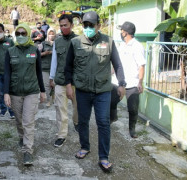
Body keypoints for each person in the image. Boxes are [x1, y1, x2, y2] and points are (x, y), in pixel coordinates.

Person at [65, 11, 126, 173]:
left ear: (98, 25)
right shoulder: (75, 42)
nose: (88, 28)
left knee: (103, 123)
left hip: (103, 91)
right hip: (83, 91)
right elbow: (68, 66)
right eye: (85, 25)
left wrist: (122, 84)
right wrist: (68, 85)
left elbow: (118, 65)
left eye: (91, 25)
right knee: (83, 122)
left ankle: (104, 157)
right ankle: (85, 147)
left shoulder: (108, 42)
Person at [4, 24, 46, 166]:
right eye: (18, 33)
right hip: (15, 92)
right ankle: (22, 137)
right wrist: (6, 93)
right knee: (19, 120)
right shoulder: (10, 51)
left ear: (28, 34)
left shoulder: (34, 50)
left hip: (31, 91)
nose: (21, 36)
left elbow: (39, 72)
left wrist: (42, 91)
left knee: (28, 121)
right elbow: (7, 74)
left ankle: (27, 151)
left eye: (23, 33)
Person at [110, 21, 145, 138]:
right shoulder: (122, 45)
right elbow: (117, 63)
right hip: (117, 82)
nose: (120, 33)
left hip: (132, 83)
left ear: (125, 33)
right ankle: (113, 117)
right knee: (111, 101)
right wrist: (112, 71)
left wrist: (140, 82)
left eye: (121, 31)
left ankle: (132, 129)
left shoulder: (137, 46)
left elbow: (141, 65)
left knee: (133, 109)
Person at [49, 14, 78, 148]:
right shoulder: (57, 42)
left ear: (71, 25)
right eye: (60, 26)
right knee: (61, 109)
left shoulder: (79, 40)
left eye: (65, 25)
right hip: (60, 80)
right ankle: (62, 135)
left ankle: (77, 123)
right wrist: (51, 77)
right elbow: (54, 61)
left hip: (77, 82)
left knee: (79, 109)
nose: (62, 28)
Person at [39, 28, 56, 107]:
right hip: (45, 68)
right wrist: (44, 53)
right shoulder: (43, 43)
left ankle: (53, 98)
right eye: (50, 33)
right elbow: (37, 54)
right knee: (46, 85)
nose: (51, 35)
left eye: (53, 34)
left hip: (55, 68)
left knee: (54, 85)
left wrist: (54, 52)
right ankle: (49, 100)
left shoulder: (58, 43)